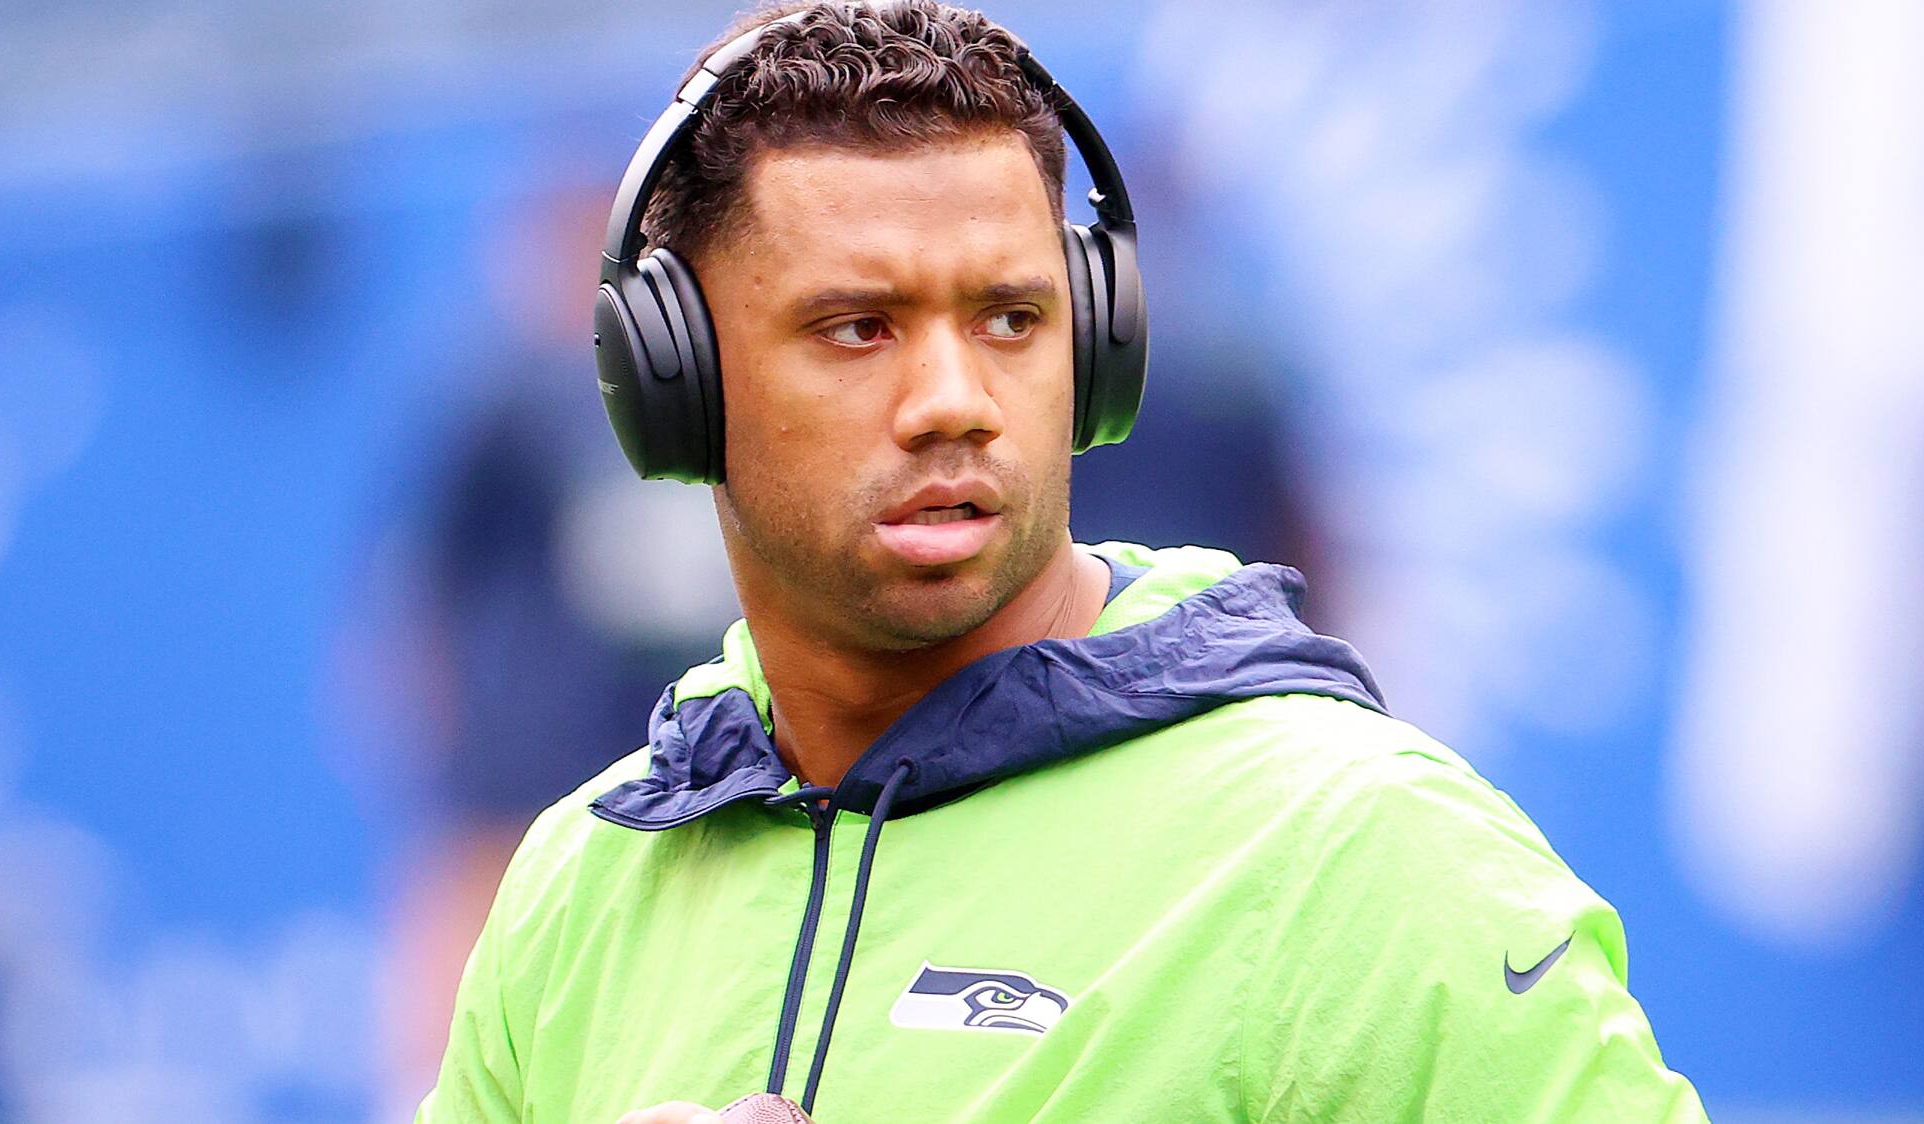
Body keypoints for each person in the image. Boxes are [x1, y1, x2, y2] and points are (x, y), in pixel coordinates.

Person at [416, 3, 1709, 1120]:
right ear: (676, 383)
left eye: (1010, 319)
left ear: (1095, 352)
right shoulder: (576, 896)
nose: (953, 400)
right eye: (857, 328)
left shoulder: (1355, 850)